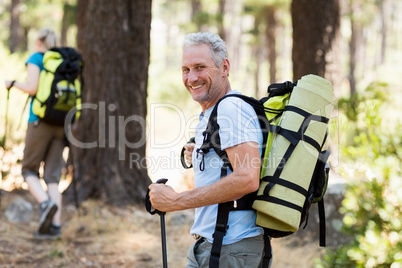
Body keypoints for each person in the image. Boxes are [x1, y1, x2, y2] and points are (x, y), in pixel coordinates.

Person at [148, 32, 270, 267]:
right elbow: (231, 165)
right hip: (216, 245)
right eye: (185, 69)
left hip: (229, 247)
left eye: (200, 67)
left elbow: (247, 179)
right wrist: (202, 155)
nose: (191, 78)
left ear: (224, 67)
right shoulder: (212, 112)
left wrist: (176, 201)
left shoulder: (230, 109)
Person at [5, 28, 64, 240]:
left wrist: (12, 84)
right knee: (53, 177)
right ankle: (56, 227)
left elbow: (32, 87)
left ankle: (45, 203)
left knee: (28, 169)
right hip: (62, 123)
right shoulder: (63, 61)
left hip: (40, 122)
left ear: (39, 41)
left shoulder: (37, 58)